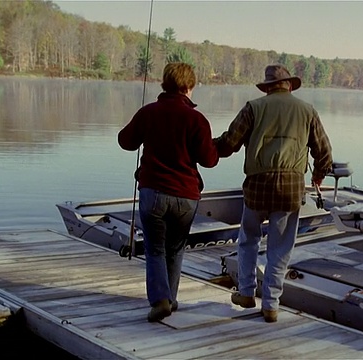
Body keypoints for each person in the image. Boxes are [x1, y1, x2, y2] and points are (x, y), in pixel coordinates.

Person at [214, 64, 333, 323]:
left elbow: (228, 144)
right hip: (290, 187)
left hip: (257, 184)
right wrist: (319, 174)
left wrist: (204, 147)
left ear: (268, 87)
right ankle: (270, 304)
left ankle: (246, 292)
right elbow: (323, 150)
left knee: (248, 239)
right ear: (289, 85)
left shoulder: (253, 107)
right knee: (280, 247)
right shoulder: (307, 111)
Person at [118, 62, 219, 322]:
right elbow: (209, 160)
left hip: (153, 193)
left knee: (155, 249)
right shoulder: (197, 119)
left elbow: (125, 142)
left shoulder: (149, 112)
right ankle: (170, 300)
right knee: (175, 249)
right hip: (186, 196)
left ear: (165, 84)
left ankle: (160, 300)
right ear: (189, 87)